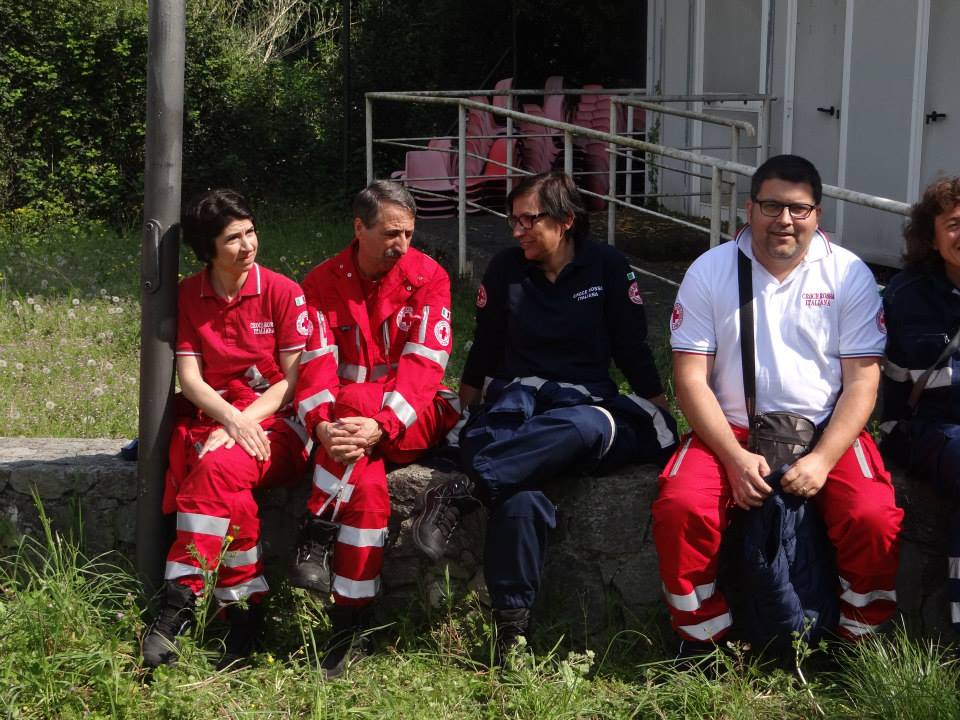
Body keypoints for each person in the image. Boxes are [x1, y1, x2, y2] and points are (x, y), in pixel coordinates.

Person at [410, 171, 678, 656]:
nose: (517, 230)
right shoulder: (506, 270)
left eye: (528, 220)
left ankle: (467, 489)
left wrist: (655, 402)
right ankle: (512, 630)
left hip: (583, 407)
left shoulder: (609, 268)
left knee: (584, 425)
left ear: (566, 220)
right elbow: (486, 346)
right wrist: (467, 403)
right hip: (515, 403)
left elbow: (632, 347)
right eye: (513, 220)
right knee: (521, 490)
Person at [652, 154, 903, 649]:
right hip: (732, 429)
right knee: (680, 508)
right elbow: (690, 381)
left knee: (872, 515)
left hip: (824, 428)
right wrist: (733, 457)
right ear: (748, 209)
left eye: (798, 208)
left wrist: (824, 459)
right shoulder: (710, 270)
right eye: (771, 206)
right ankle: (703, 639)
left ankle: (862, 639)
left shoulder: (848, 273)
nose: (783, 220)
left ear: (817, 214)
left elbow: (862, 384)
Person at [141, 189, 335, 669]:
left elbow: (291, 382)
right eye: (233, 238)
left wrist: (244, 421)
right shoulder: (188, 294)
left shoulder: (282, 291)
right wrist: (228, 418)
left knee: (217, 469)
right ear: (209, 249)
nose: (248, 245)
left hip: (279, 425)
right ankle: (244, 619)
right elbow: (190, 378)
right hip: (220, 422)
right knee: (234, 499)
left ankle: (177, 604)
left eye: (251, 232)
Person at [290, 180, 460, 677]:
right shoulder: (320, 282)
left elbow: (425, 366)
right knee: (366, 488)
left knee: (355, 425)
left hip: (412, 414)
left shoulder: (429, 277)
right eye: (390, 233)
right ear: (358, 228)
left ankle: (317, 531)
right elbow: (315, 364)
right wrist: (322, 425)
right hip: (346, 430)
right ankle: (348, 619)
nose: (402, 245)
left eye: (408, 233)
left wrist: (377, 422)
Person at [881, 176, 960, 632]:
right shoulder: (909, 296)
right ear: (930, 235)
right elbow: (892, 385)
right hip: (937, 429)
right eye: (953, 224)